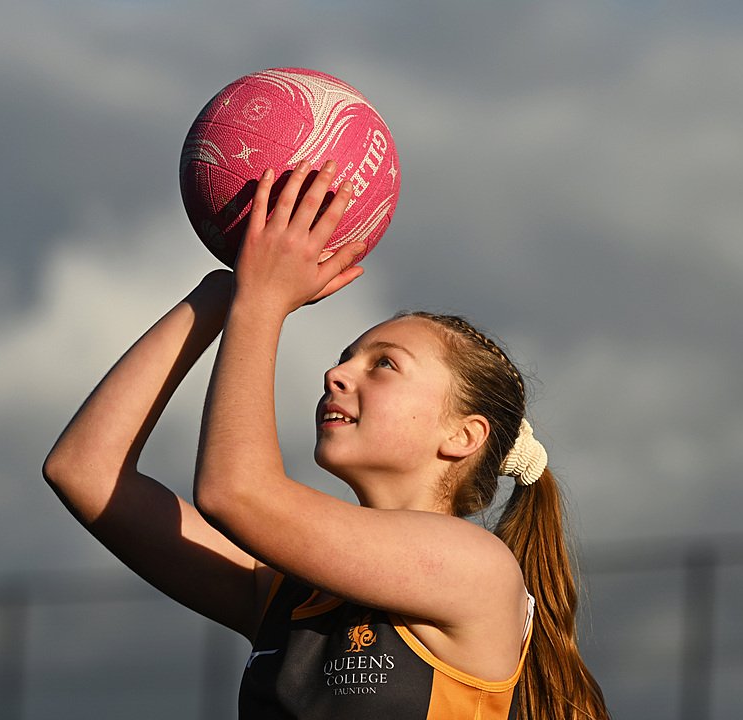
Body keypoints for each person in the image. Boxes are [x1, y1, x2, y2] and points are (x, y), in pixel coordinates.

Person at [43, 160, 609, 719]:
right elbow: (84, 470)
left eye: (384, 364)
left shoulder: (475, 568)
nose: (336, 375)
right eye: (345, 359)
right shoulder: (287, 594)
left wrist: (261, 301)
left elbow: (235, 494)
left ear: (463, 435)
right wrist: (222, 292)